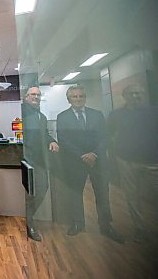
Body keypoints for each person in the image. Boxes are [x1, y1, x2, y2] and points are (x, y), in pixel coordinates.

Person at [56, 85, 122, 243]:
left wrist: (94, 154)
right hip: (75, 162)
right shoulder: (62, 117)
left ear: (85, 98)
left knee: (102, 194)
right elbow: (63, 140)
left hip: (97, 161)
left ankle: (105, 225)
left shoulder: (97, 115)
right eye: (74, 97)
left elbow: (104, 137)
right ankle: (78, 223)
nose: (78, 99)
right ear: (69, 99)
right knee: (75, 194)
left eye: (81, 96)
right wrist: (81, 155)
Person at [107, 84, 158, 242]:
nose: (136, 96)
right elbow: (109, 135)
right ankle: (140, 229)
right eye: (132, 93)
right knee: (132, 197)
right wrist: (114, 157)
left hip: (152, 161)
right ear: (125, 96)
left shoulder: (153, 112)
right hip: (126, 160)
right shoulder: (116, 115)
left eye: (139, 93)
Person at [22, 86, 59, 241]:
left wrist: (52, 141)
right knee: (31, 193)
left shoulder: (41, 117)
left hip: (41, 161)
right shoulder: (22, 113)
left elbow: (44, 134)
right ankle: (29, 224)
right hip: (28, 160)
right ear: (26, 97)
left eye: (38, 95)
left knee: (42, 188)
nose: (35, 97)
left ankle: (29, 218)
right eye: (32, 94)